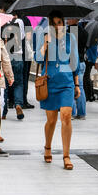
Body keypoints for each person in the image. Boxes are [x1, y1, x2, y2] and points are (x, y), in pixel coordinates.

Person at [36, 10, 81, 170]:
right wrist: (45, 45)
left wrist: (77, 84)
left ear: (64, 22)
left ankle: (66, 156)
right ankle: (47, 146)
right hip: (50, 82)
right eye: (53, 23)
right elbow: (38, 59)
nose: (57, 26)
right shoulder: (45, 37)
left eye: (59, 22)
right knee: (51, 120)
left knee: (66, 116)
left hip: (67, 82)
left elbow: (75, 61)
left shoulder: (71, 38)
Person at [2, 14, 26, 120]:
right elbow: (22, 37)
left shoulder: (1, 22)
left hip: (6, 56)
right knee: (18, 83)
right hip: (18, 55)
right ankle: (18, 104)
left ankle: (3, 112)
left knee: (5, 85)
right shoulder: (19, 22)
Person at [67, 18, 88, 120]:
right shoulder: (84, 32)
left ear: (74, 19)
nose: (67, 20)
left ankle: (72, 112)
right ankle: (82, 113)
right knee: (80, 87)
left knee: (71, 86)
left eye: (69, 18)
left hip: (72, 62)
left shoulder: (68, 32)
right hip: (82, 62)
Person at [21, 15, 35, 110]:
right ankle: (23, 101)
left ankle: (12, 100)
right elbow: (29, 37)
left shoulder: (10, 18)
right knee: (24, 78)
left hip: (12, 53)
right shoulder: (25, 20)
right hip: (25, 53)